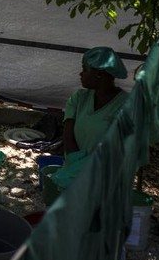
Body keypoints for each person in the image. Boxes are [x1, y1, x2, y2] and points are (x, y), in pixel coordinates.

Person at [52, 46, 129, 188]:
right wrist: (75, 165)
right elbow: (68, 133)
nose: (80, 74)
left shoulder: (125, 106)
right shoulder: (79, 98)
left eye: (85, 70)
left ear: (99, 74)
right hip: (73, 172)